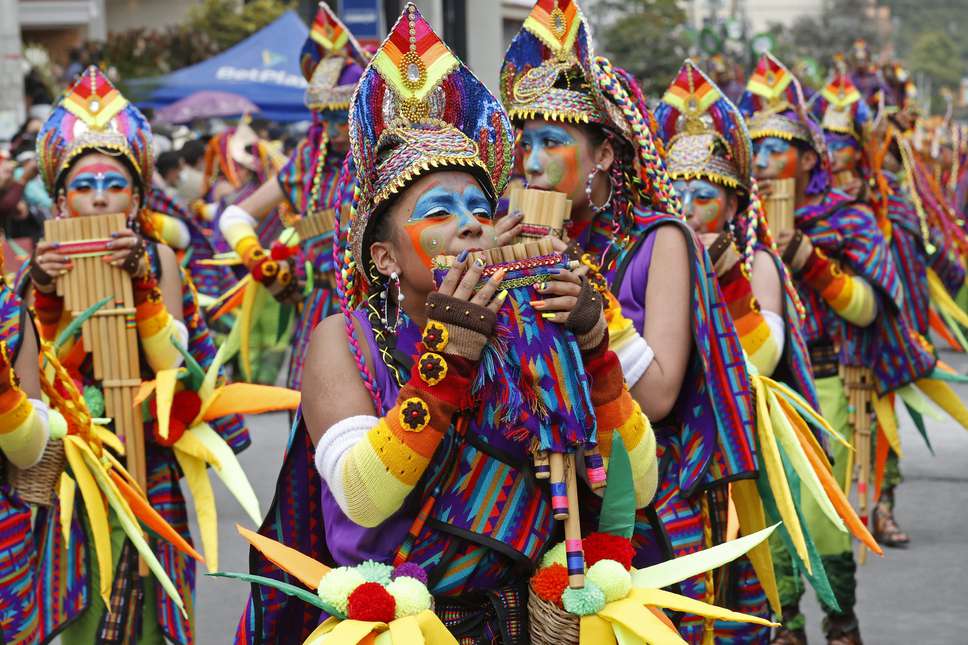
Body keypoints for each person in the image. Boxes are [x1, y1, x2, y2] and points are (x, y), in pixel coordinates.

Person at [236, 5, 658, 643]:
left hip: (525, 622)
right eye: (439, 210)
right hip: (400, 625)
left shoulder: (530, 327)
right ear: (383, 257)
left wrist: (595, 350)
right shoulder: (344, 339)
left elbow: (640, 484)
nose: (470, 223)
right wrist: (449, 356)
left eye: (478, 207)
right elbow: (362, 496)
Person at [501, 3, 765, 642]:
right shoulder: (513, 239)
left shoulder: (660, 240)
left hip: (647, 506)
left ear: (604, 158)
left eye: (552, 142)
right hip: (540, 507)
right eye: (524, 141)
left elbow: (663, 391)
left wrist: (599, 317)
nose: (530, 162)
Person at [30, 66, 250, 645]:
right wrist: (46, 297)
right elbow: (38, 377)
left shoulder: (161, 257)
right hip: (76, 465)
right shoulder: (38, 267)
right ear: (59, 197)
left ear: (137, 195)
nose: (100, 196)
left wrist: (145, 285)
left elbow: (175, 365)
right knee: (86, 598)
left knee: (154, 606)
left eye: (114, 184)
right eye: (84, 185)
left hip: (147, 454)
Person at [740, 53, 901, 645]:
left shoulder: (848, 219)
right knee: (770, 518)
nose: (760, 162)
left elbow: (868, 306)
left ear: (809, 159)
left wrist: (805, 257)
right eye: (754, 150)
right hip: (758, 386)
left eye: (775, 149)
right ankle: (785, 624)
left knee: (820, 515)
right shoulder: (739, 221)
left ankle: (841, 618)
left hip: (827, 381)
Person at [218, 1, 367, 390]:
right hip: (317, 305)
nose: (335, 130)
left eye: (343, 117)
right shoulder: (305, 161)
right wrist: (260, 263)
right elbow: (235, 217)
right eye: (327, 118)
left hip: (374, 307)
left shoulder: (378, 158)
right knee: (310, 406)